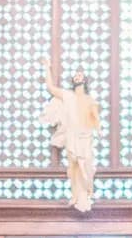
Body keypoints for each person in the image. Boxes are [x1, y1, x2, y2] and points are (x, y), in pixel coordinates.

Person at [43, 59, 100, 213]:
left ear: (85, 80)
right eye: (76, 75)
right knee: (74, 165)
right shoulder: (67, 95)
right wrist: (47, 67)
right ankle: (76, 195)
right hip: (72, 135)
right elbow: (50, 88)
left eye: (80, 75)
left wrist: (98, 129)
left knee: (84, 165)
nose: (77, 77)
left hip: (85, 135)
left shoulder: (89, 100)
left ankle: (85, 194)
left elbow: (95, 118)